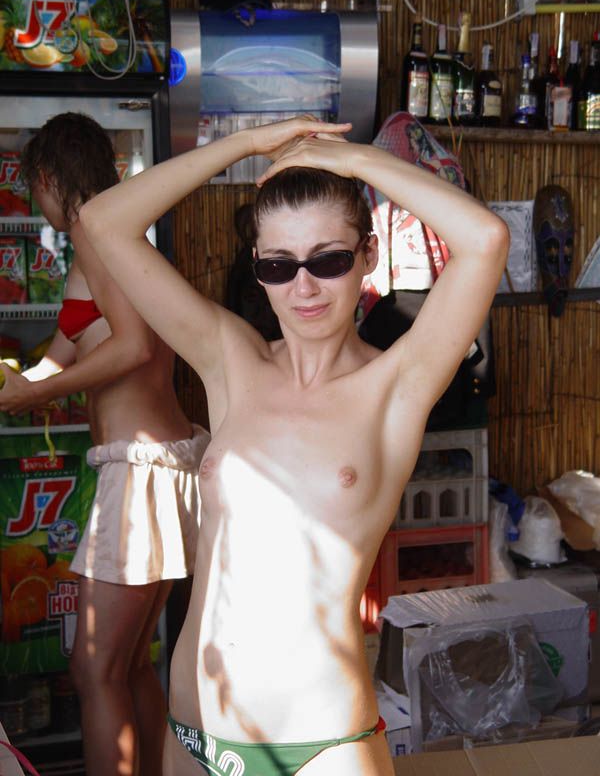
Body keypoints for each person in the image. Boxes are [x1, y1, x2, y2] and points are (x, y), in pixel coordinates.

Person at [77, 116, 509, 775]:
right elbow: (104, 222)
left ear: (367, 255)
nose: (303, 288)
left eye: (329, 260)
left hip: (323, 750)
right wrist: (247, 146)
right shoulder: (229, 360)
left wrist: (354, 160)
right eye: (278, 265)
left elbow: (484, 239)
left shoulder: (396, 384)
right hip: (194, 740)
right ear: (259, 269)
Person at [0, 112, 210, 776]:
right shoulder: (115, 236)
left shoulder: (94, 229)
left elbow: (134, 346)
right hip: (158, 464)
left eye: (34, 188)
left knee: (93, 668)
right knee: (125, 664)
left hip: (141, 470)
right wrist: (20, 384)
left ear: (47, 177)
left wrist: (31, 396)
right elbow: (67, 354)